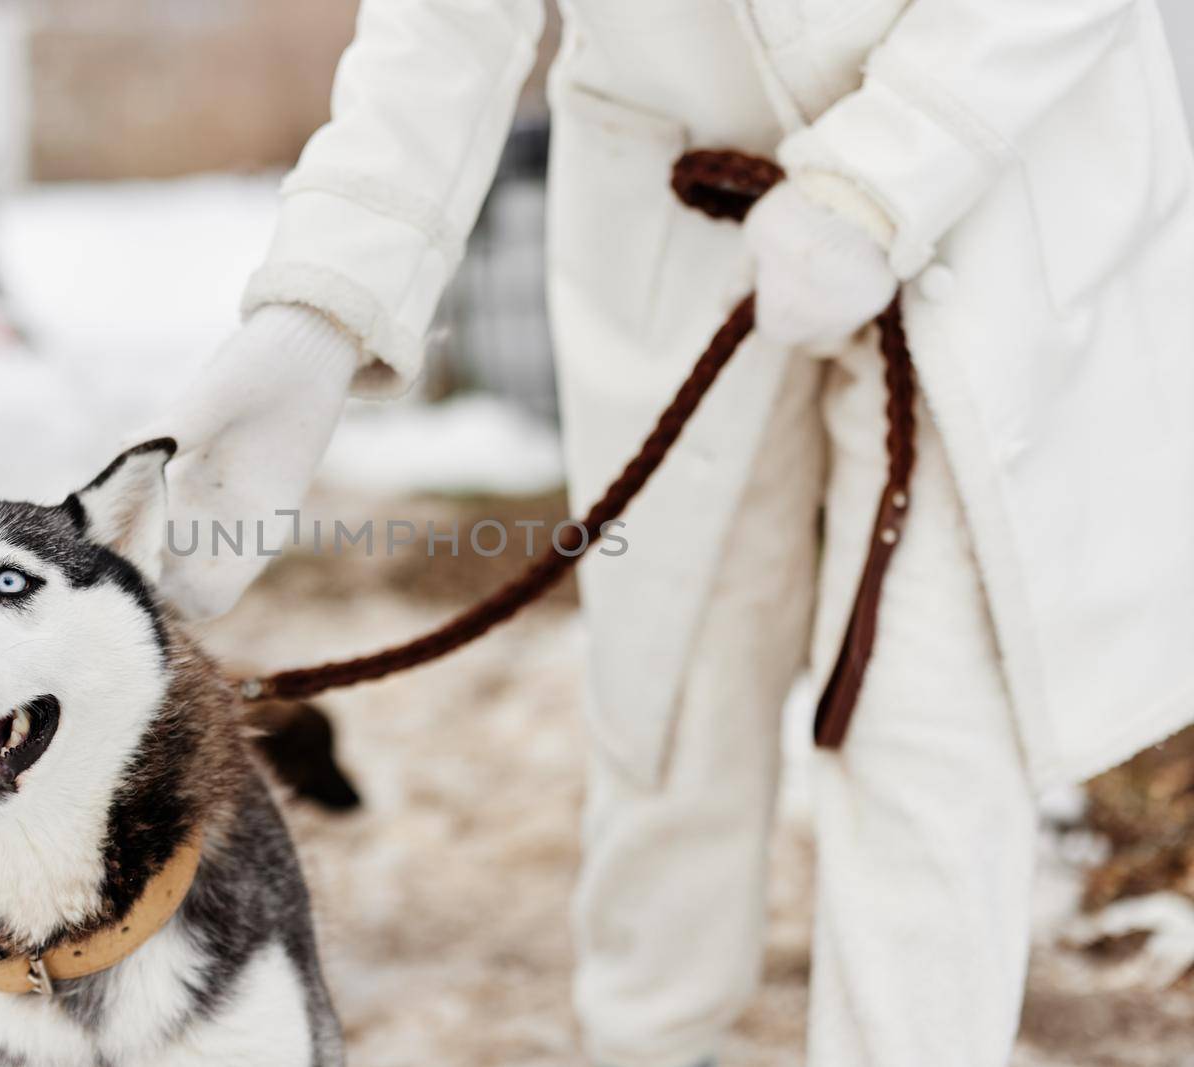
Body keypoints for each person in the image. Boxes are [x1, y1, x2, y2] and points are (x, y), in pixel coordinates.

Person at [147, 2, 1194, 1064]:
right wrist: (322, 306)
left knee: (929, 715)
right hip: (679, 182)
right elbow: (444, 22)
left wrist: (883, 173)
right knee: (674, 671)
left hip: (983, 162)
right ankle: (648, 1038)